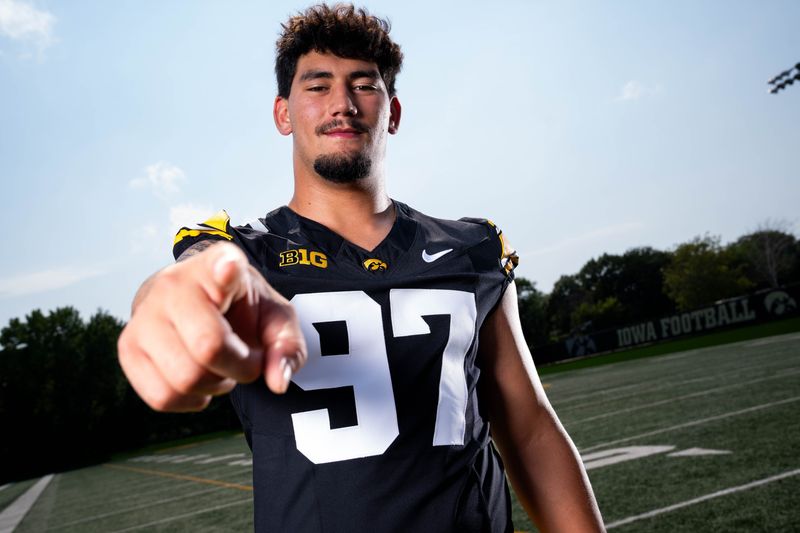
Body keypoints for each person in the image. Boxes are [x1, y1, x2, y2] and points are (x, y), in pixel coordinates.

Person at [117, 4, 605, 532]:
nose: (342, 104)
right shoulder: (246, 256)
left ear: (392, 111)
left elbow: (528, 426)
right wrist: (172, 296)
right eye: (318, 86)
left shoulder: (472, 249)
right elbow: (197, 273)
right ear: (284, 114)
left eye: (363, 85)